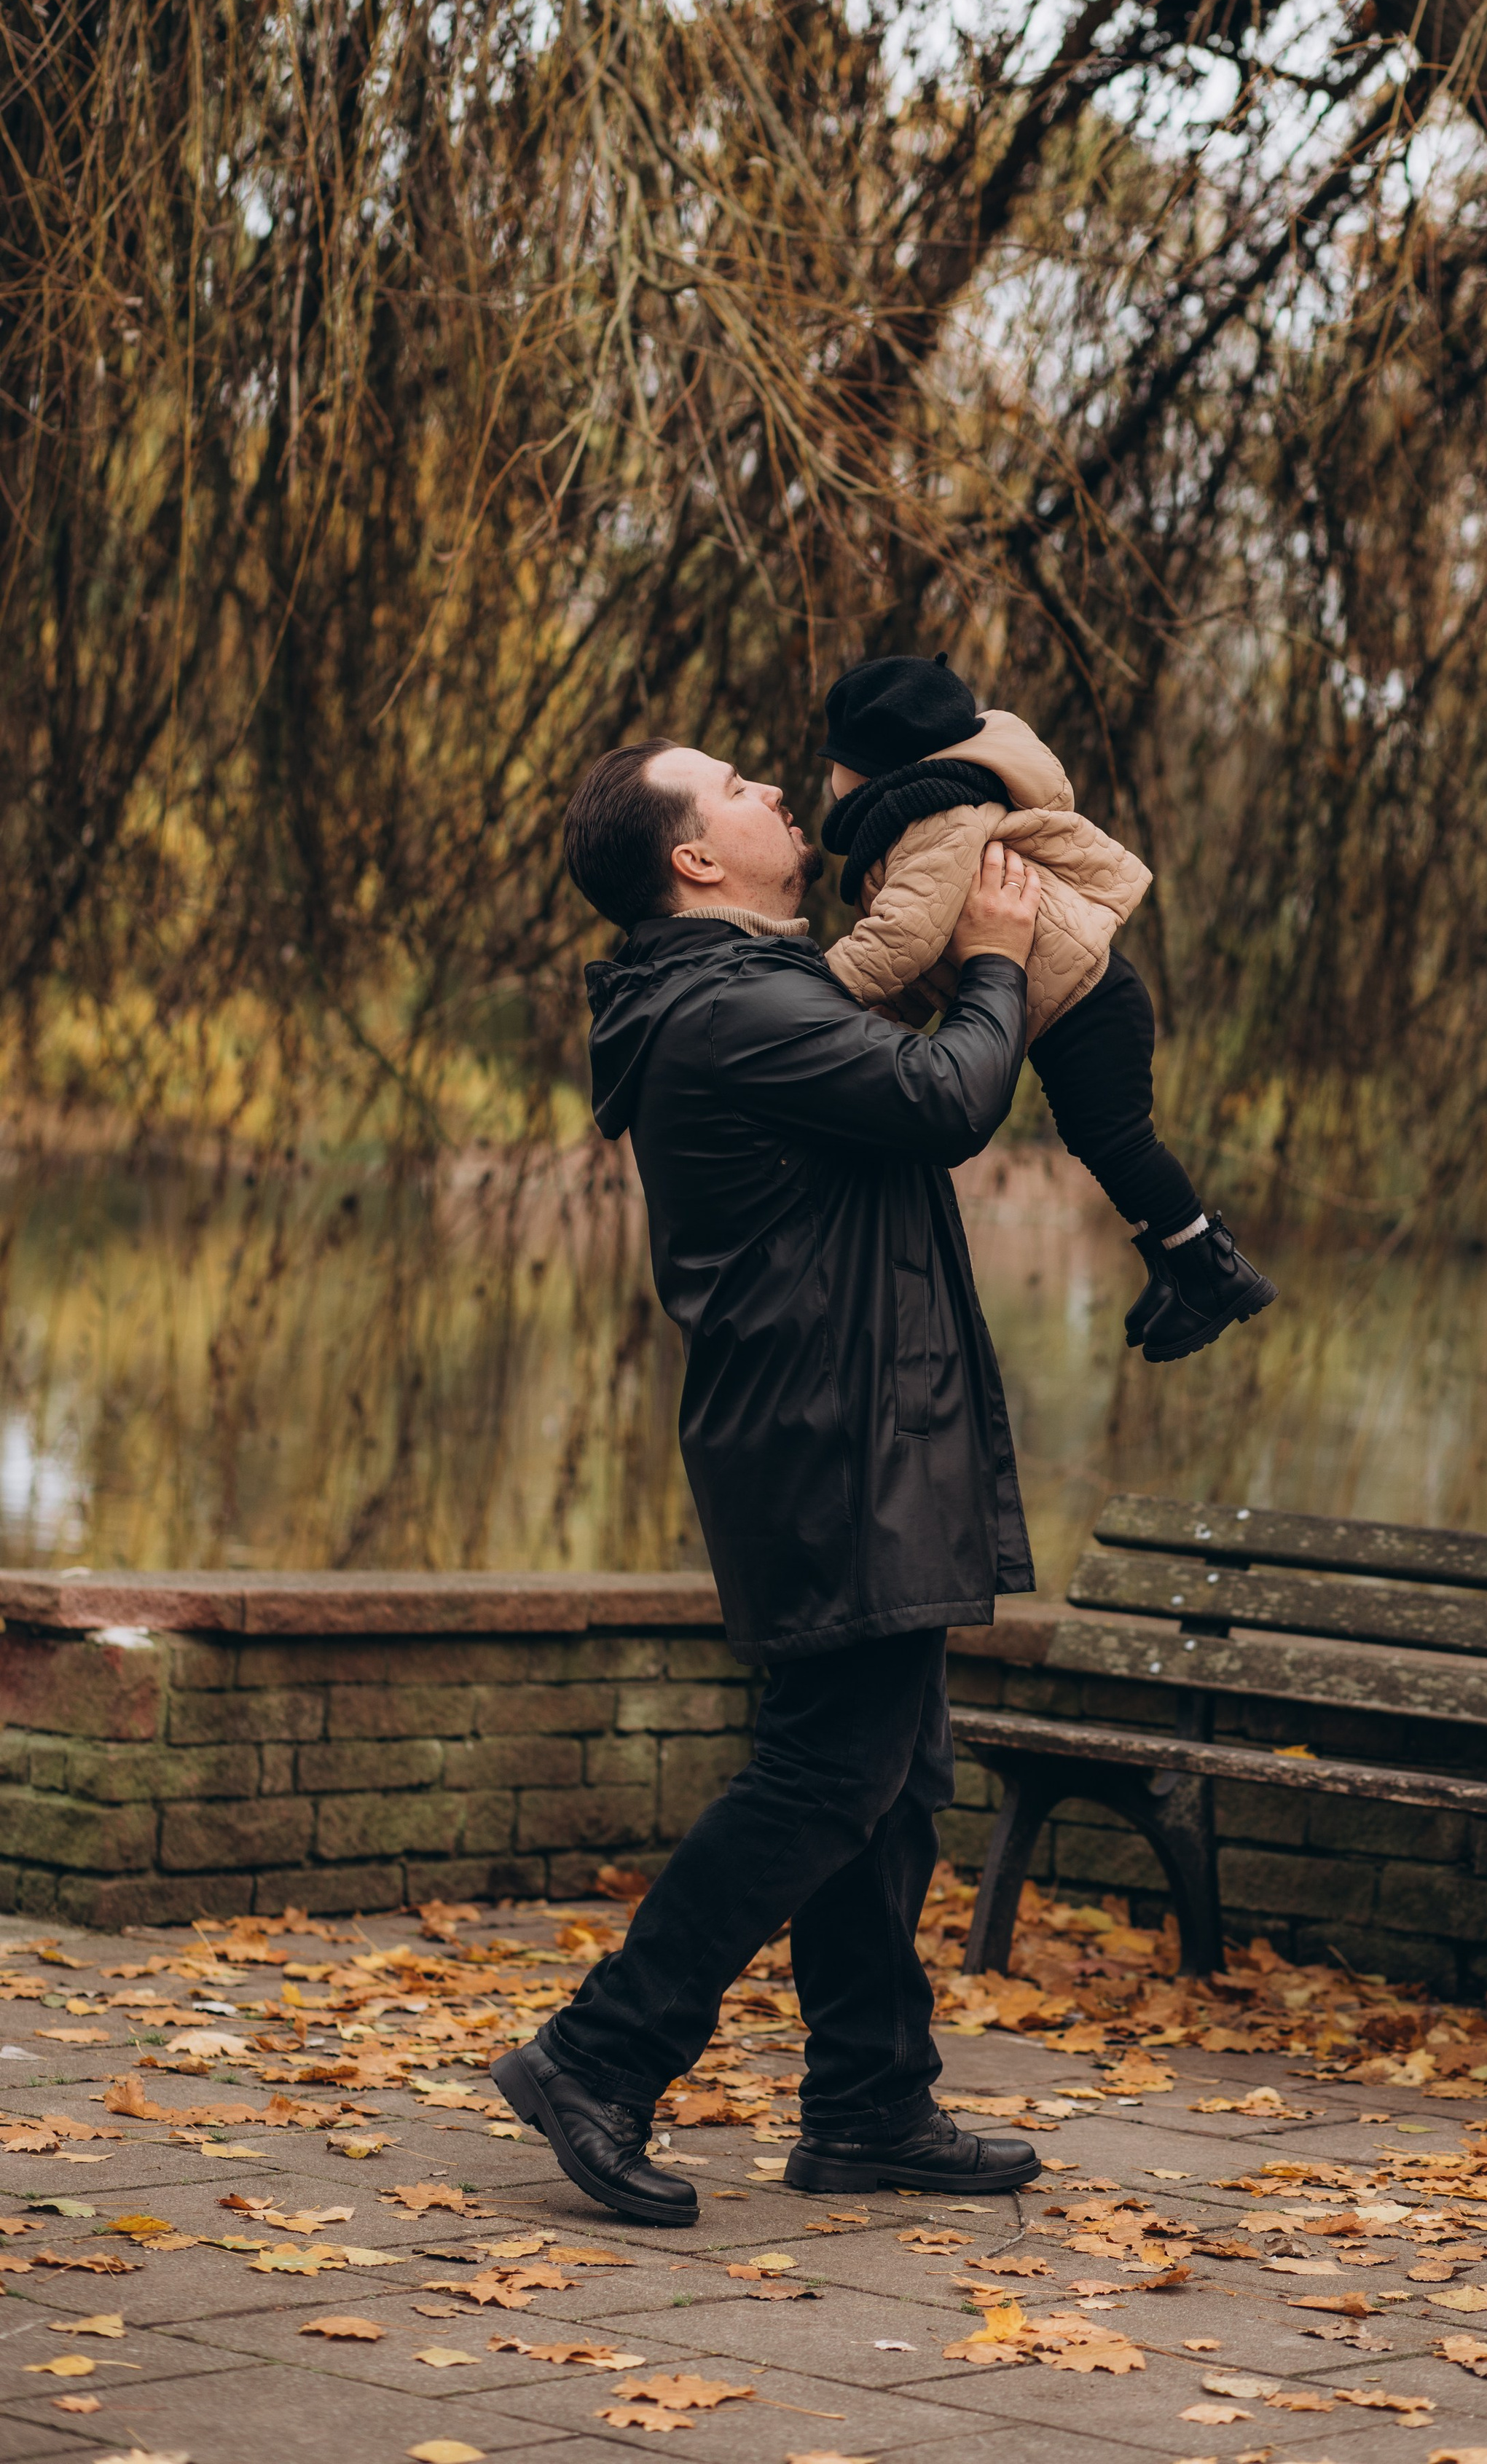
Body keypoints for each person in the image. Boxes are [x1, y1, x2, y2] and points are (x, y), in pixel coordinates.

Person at [493, 738, 1047, 2222]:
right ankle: (600, 2055)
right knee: (829, 1773)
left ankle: (870, 2102)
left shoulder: (746, 994)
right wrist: (995, 962)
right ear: (692, 860)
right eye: (735, 786)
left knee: (891, 1778)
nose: (772, 791)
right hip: (837, 1443)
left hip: (852, 1432)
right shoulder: (731, 1004)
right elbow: (945, 1098)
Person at [820, 651, 1276, 1362]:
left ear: (868, 767)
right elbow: (924, 966)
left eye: (834, 763)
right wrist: (865, 1021)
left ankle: (1211, 1272)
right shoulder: (918, 822)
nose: (827, 778)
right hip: (1076, 1004)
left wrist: (811, 987)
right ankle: (1178, 1262)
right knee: (1099, 1138)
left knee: (1117, 1142)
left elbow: (901, 942)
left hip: (1090, 1003)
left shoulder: (936, 820)